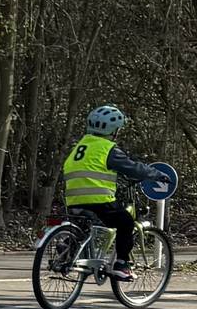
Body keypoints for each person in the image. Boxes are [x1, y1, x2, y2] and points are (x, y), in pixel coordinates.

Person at [61, 104, 161, 281]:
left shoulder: (80, 146)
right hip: (98, 199)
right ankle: (121, 265)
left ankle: (69, 247)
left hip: (74, 198)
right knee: (126, 222)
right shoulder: (107, 148)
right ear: (114, 130)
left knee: (86, 227)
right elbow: (133, 168)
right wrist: (155, 174)